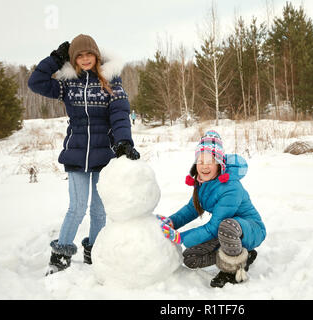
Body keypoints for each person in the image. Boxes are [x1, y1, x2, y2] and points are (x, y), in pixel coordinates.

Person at [28, 34, 140, 275]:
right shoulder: (68, 84)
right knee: (77, 207)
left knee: (99, 210)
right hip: (76, 153)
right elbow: (35, 82)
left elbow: (120, 114)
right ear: (74, 59)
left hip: (104, 154)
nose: (85, 59)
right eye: (79, 55)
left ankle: (95, 251)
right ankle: (60, 254)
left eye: (89, 54)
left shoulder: (111, 82)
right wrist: (55, 60)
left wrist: (123, 142)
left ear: (97, 56)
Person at [157, 130, 266, 288]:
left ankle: (233, 269)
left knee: (226, 225)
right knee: (190, 258)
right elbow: (192, 209)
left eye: (210, 161)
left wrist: (180, 237)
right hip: (224, 232)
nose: (204, 166)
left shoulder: (231, 187)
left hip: (249, 229)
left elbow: (214, 228)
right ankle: (243, 253)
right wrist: (171, 222)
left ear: (219, 164)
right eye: (200, 161)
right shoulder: (203, 183)